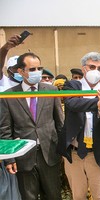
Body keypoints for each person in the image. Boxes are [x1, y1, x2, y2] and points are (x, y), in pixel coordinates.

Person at [0, 52, 64, 200]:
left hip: (49, 154)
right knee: (28, 197)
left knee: (53, 195)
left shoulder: (51, 91)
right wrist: (10, 159)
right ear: (21, 71)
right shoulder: (9, 96)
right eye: (32, 69)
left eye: (39, 68)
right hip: (23, 157)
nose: (37, 73)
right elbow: (5, 129)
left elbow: (60, 124)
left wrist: (62, 151)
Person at [57, 52, 100, 200]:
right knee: (78, 195)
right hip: (74, 153)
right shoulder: (73, 85)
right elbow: (72, 104)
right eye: (92, 67)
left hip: (97, 153)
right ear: (84, 68)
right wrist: (99, 103)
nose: (96, 71)